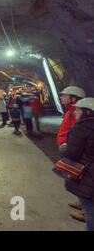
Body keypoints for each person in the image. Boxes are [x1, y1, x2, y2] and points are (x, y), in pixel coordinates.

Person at [62, 98, 94, 231]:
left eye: (78, 110)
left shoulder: (81, 128)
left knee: (90, 210)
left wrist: (64, 148)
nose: (75, 112)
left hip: (88, 173)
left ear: (87, 112)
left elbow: (72, 153)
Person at [57, 86, 86, 220]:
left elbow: (79, 134)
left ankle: (86, 211)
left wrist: (68, 146)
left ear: (73, 98)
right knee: (77, 179)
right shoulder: (71, 110)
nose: (61, 97)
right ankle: (82, 203)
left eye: (64, 95)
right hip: (68, 148)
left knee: (81, 179)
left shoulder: (77, 112)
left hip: (73, 151)